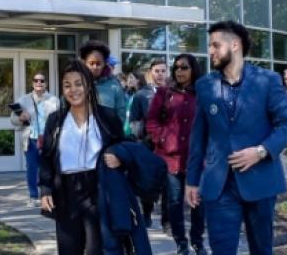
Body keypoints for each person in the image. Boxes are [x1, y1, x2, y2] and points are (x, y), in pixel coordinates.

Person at [186, 21, 287, 255]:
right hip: (219, 184)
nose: (211, 51)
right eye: (209, 45)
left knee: (261, 250)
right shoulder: (205, 85)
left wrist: (260, 151)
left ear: (234, 45)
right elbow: (198, 136)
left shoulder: (267, 80)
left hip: (261, 180)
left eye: (216, 45)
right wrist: (192, 180)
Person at [38, 61, 128, 255]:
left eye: (78, 83)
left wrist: (119, 157)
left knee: (98, 249)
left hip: (98, 189)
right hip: (65, 192)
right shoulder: (56, 120)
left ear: (88, 86)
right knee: (69, 249)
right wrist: (45, 189)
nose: (73, 90)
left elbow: (124, 146)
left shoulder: (106, 116)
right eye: (67, 85)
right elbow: (46, 156)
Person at [146, 54, 206, 255]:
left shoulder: (203, 93)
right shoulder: (164, 93)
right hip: (170, 158)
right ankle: (181, 242)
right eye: (177, 67)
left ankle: (198, 241)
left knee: (198, 202)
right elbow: (151, 121)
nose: (179, 71)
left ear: (193, 69)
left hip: (196, 159)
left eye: (184, 67)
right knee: (174, 202)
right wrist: (162, 138)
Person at [129, 58, 170, 230]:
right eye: (157, 71)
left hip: (169, 146)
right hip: (148, 145)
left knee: (169, 183)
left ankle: (167, 221)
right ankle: (146, 212)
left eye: (163, 71)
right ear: (150, 73)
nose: (160, 74)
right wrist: (141, 137)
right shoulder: (141, 95)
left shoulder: (173, 92)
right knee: (149, 182)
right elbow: (134, 121)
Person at [10, 71, 59, 207]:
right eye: (36, 80)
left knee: (48, 169)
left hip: (48, 139)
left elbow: (59, 120)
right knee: (32, 168)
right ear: (32, 83)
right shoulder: (23, 100)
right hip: (31, 139)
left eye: (42, 81)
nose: (39, 83)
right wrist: (20, 118)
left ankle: (49, 195)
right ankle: (33, 196)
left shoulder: (53, 100)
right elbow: (12, 119)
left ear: (46, 83)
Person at [80, 40, 127, 123]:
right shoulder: (76, 83)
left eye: (98, 63)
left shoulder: (114, 86)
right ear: (84, 63)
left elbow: (121, 115)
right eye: (91, 63)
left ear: (104, 63)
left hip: (106, 134)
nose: (95, 67)